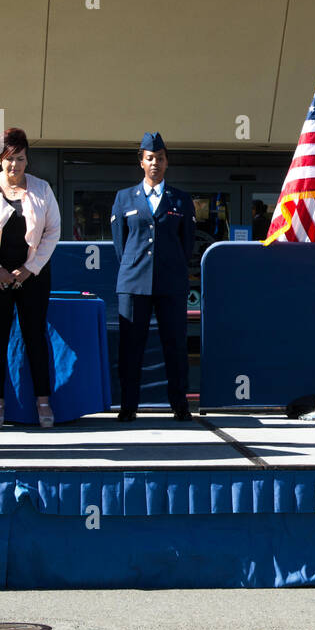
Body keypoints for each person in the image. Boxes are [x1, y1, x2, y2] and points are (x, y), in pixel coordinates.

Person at [0, 128, 61, 428]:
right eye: (8, 159)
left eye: (20, 158)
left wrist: (30, 268)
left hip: (33, 274)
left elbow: (52, 231)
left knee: (35, 336)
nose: (14, 165)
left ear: (27, 159)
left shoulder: (42, 188)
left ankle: (43, 402)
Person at [111, 132, 196, 422]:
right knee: (131, 347)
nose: (155, 163)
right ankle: (128, 405)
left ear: (167, 162)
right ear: (141, 162)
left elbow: (187, 245)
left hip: (171, 283)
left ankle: (180, 404)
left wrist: (168, 266)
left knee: (175, 345)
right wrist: (136, 268)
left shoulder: (181, 200)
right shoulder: (124, 198)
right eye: (150, 158)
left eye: (160, 158)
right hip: (133, 283)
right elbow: (120, 244)